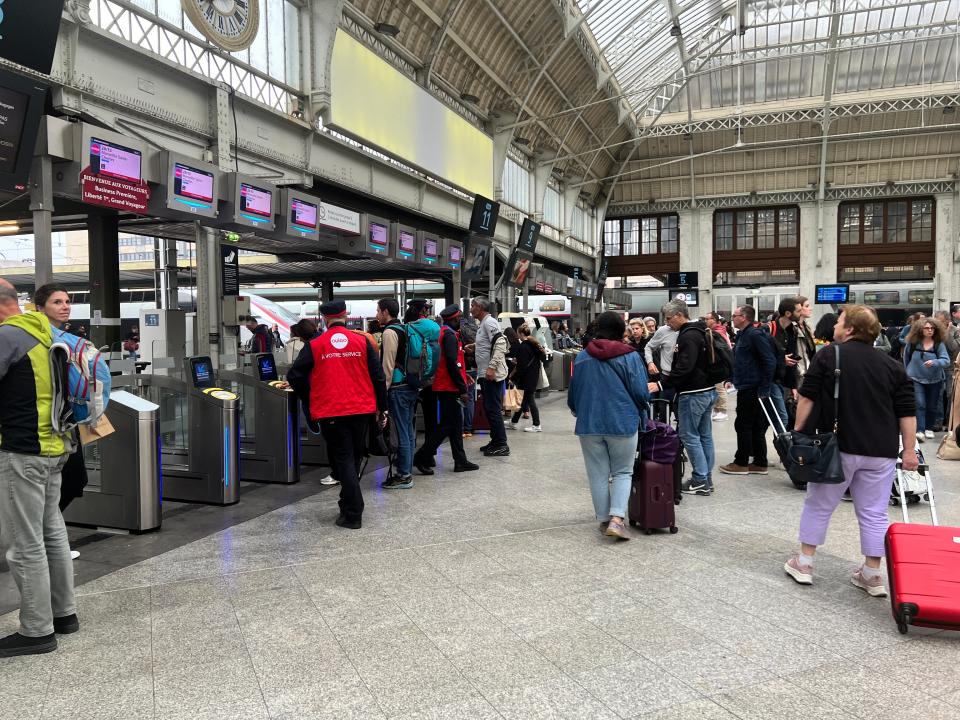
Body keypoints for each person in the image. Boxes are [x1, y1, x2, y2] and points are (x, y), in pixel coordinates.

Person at [784, 306, 917, 598]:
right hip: (881, 450)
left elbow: (807, 397)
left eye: (840, 322)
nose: (834, 326)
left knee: (819, 504)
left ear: (851, 330)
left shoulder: (830, 355)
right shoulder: (892, 365)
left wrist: (798, 431)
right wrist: (909, 451)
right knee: (874, 512)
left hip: (838, 447)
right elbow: (907, 412)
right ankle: (871, 573)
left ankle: (804, 563)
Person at [0, 279, 78, 656]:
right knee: (52, 533)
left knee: (23, 542)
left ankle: (36, 630)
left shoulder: (8, 336)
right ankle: (64, 613)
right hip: (54, 447)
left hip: (22, 451)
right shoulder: (46, 333)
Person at [287, 300, 387, 529]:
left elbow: (295, 376)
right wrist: (383, 406)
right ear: (345, 315)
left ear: (324, 318)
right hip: (361, 408)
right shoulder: (362, 341)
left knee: (343, 459)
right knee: (354, 457)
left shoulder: (316, 344)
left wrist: (311, 396)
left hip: (331, 410)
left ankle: (353, 512)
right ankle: (346, 503)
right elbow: (378, 376)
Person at [568, 312, 651, 541]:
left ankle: (604, 519)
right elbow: (641, 392)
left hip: (589, 424)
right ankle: (617, 519)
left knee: (597, 474)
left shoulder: (583, 357)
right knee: (623, 471)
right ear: (620, 331)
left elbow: (573, 395)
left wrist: (581, 410)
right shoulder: (630, 356)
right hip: (622, 421)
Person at [33, 284, 88, 559]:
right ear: (40, 307)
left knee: (75, 480)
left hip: (67, 421)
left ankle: (48, 539)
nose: (65, 306)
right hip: (43, 424)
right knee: (57, 482)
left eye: (67, 301)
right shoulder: (35, 340)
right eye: (57, 302)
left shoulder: (68, 339)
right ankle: (47, 543)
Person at [654, 301, 717, 496]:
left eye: (669, 318)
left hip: (692, 393)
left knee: (689, 436)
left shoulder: (688, 336)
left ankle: (699, 480)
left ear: (680, 315)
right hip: (708, 390)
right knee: (704, 436)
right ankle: (706, 478)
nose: (667, 323)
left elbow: (685, 367)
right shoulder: (701, 331)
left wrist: (662, 384)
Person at [413, 305, 479, 474]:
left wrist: (464, 377)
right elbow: (451, 363)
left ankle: (460, 460)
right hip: (449, 387)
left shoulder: (443, 333)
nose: (461, 323)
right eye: (459, 320)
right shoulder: (449, 335)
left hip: (444, 385)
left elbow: (452, 363)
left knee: (455, 424)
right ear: (455, 319)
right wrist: (462, 388)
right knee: (447, 425)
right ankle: (421, 456)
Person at [720, 305, 776, 475]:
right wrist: (732, 378)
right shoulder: (744, 335)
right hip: (748, 385)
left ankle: (741, 462)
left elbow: (769, 361)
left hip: (753, 387)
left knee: (743, 424)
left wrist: (764, 388)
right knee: (754, 426)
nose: (732, 318)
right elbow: (742, 361)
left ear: (743, 317)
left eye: (734, 315)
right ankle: (759, 462)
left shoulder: (754, 335)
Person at [470, 297, 510, 456]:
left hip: (491, 375)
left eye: (473, 306)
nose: (471, 308)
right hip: (485, 374)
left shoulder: (489, 322)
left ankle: (502, 444)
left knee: (493, 409)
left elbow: (500, 343)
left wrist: (492, 367)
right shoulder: (483, 324)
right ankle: (495, 440)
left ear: (480, 307)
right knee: (489, 408)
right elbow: (489, 343)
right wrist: (474, 346)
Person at [903, 316, 951, 441]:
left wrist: (935, 362)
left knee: (932, 405)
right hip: (916, 377)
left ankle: (929, 428)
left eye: (932, 328)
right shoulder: (913, 343)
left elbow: (946, 361)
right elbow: (906, 358)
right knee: (920, 404)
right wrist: (907, 373)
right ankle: (920, 430)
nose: (930, 330)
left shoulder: (938, 344)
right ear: (920, 329)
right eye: (926, 328)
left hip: (935, 379)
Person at [764, 298, 801, 430]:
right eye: (799, 310)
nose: (801, 313)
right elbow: (761, 355)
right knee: (781, 418)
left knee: (782, 418)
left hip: (784, 381)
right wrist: (781, 359)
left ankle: (782, 447)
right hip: (770, 381)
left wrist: (793, 386)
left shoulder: (793, 330)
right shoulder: (768, 328)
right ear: (788, 313)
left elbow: (792, 360)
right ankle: (784, 447)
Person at [507, 323, 546, 433]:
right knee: (523, 402)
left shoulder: (524, 346)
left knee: (530, 401)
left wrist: (513, 378)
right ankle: (513, 422)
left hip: (526, 378)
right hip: (532, 376)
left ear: (520, 334)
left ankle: (537, 424)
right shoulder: (534, 345)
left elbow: (521, 366)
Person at [934, 310, 960, 430]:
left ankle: (948, 422)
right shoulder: (933, 331)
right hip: (937, 367)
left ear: (946, 321)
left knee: (950, 395)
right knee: (938, 395)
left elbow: (954, 348)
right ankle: (938, 422)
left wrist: (948, 332)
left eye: (939, 321)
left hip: (950, 368)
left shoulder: (955, 331)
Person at [704, 311, 731, 421]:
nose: (706, 321)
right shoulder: (716, 331)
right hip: (720, 364)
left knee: (720, 388)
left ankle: (722, 411)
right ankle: (717, 410)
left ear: (714, 321)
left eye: (708, 319)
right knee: (717, 388)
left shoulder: (717, 332)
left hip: (720, 365)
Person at [459, 311, 479, 437]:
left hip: (463, 368)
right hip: (474, 367)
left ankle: (460, 429)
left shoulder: (460, 332)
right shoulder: (475, 329)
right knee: (470, 397)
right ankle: (468, 428)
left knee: (461, 397)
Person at [793, 296, 817, 380]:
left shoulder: (806, 326)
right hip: (799, 372)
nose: (811, 308)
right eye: (807, 306)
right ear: (798, 308)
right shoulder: (792, 327)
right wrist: (800, 370)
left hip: (807, 370)